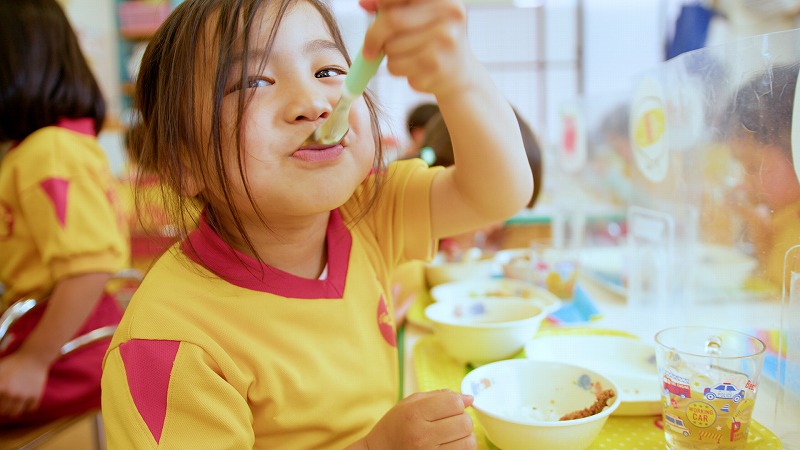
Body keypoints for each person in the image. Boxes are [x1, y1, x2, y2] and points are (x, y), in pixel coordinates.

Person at [100, 0, 533, 448]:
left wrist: (458, 75)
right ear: (183, 163)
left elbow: (499, 192)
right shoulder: (169, 344)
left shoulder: (367, 213)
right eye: (253, 81)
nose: (312, 103)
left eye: (327, 71)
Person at [0, 0, 130, 426]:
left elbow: (90, 267)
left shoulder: (49, 150)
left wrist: (34, 360)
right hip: (62, 334)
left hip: (66, 345)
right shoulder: (48, 147)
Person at [726, 63, 800, 290]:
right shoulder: (786, 218)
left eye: (753, 166)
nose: (744, 184)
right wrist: (759, 229)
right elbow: (779, 285)